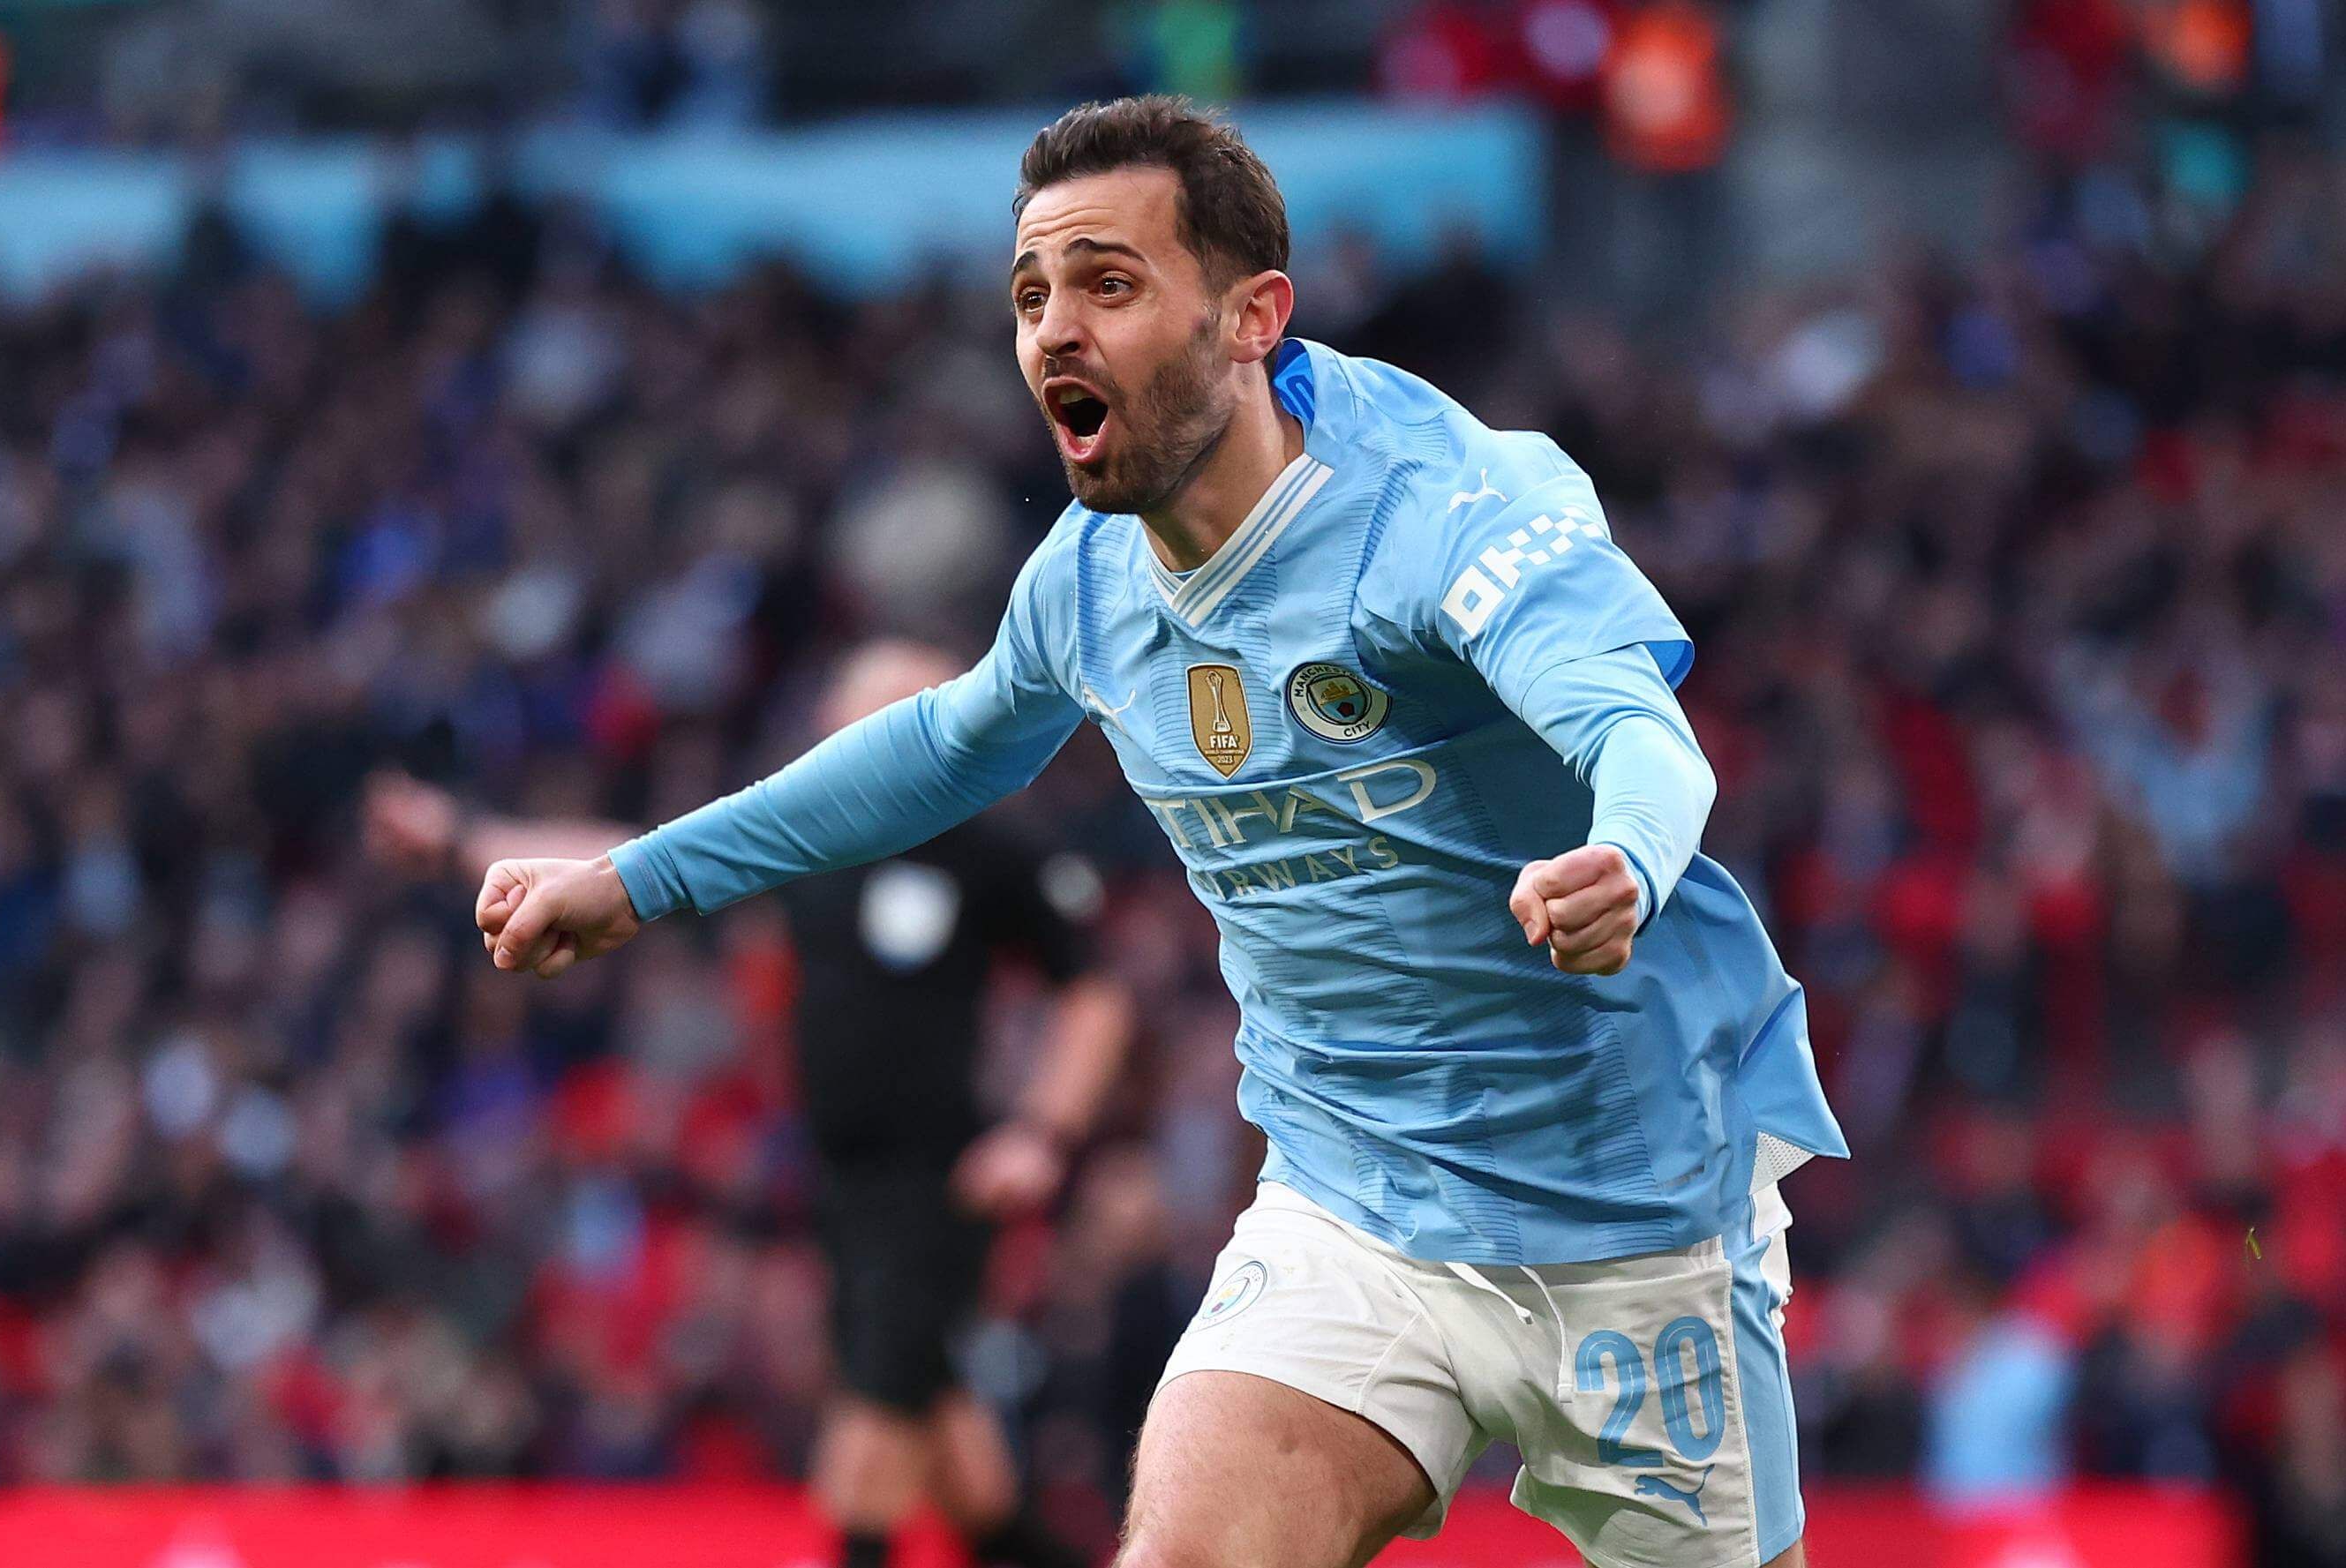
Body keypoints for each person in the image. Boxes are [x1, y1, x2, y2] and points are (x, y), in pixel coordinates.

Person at [473, 95, 1846, 1568]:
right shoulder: (1090, 583)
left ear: (1255, 317)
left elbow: (1634, 730)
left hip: (1633, 1217)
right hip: (1355, 1209)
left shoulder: (1439, 514)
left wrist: (1627, 856)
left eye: (1108, 284)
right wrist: (638, 879)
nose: (1054, 328)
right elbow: (944, 744)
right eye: (1031, 293)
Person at [370, 641, 1129, 1568]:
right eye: (869, 713)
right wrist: (459, 839)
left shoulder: (990, 845)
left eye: (914, 709)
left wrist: (1041, 1132)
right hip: (843, 1180)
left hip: (939, 1183)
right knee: (969, 1487)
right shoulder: (813, 841)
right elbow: (620, 857)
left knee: (869, 1440)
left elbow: (1095, 992)